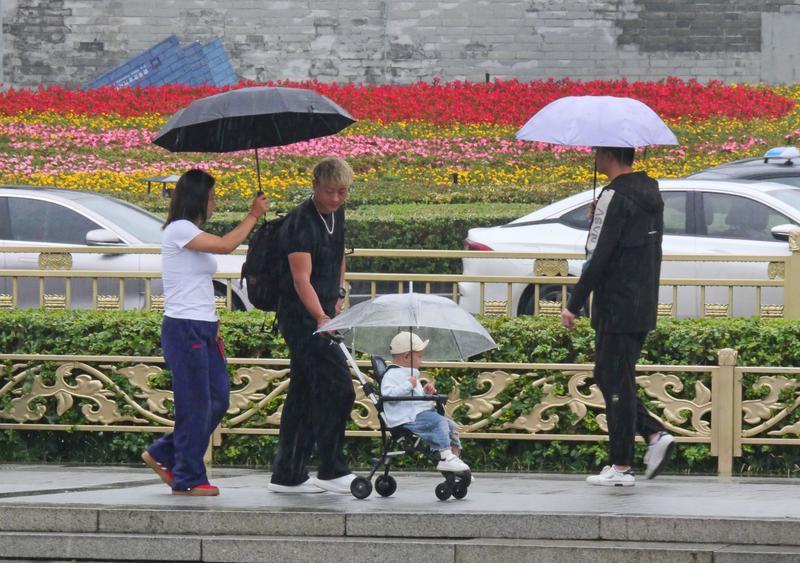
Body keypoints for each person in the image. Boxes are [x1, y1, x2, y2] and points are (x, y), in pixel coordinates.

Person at [142, 168, 269, 496]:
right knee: (197, 403)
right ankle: (187, 476)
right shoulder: (179, 230)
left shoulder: (190, 232)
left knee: (218, 399)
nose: (214, 202)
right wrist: (253, 215)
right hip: (185, 328)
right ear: (197, 198)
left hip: (203, 326)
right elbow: (227, 246)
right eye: (212, 197)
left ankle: (164, 453)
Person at [560, 146, 675, 487]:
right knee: (611, 377)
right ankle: (649, 439)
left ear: (608, 155)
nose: (594, 157)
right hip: (641, 301)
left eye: (597, 152)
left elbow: (598, 255)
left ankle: (627, 461)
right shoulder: (649, 192)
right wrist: (601, 217)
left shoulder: (614, 195)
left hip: (615, 304)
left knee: (613, 380)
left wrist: (574, 301)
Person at [268, 157, 356, 494]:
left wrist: (339, 292)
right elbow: (300, 278)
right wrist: (320, 315)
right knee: (339, 388)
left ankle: (288, 473)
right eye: (330, 192)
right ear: (315, 186)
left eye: (342, 192)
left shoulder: (337, 213)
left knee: (303, 394)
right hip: (301, 318)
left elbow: (339, 255)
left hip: (326, 314)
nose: (336, 199)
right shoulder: (300, 223)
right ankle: (331, 467)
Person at [380, 331, 469, 473]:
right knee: (438, 422)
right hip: (406, 417)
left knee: (451, 426)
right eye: (419, 356)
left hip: (415, 412)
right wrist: (408, 385)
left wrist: (426, 392)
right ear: (406, 357)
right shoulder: (392, 375)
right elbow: (387, 394)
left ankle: (455, 457)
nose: (421, 360)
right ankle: (446, 456)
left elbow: (416, 397)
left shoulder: (410, 374)